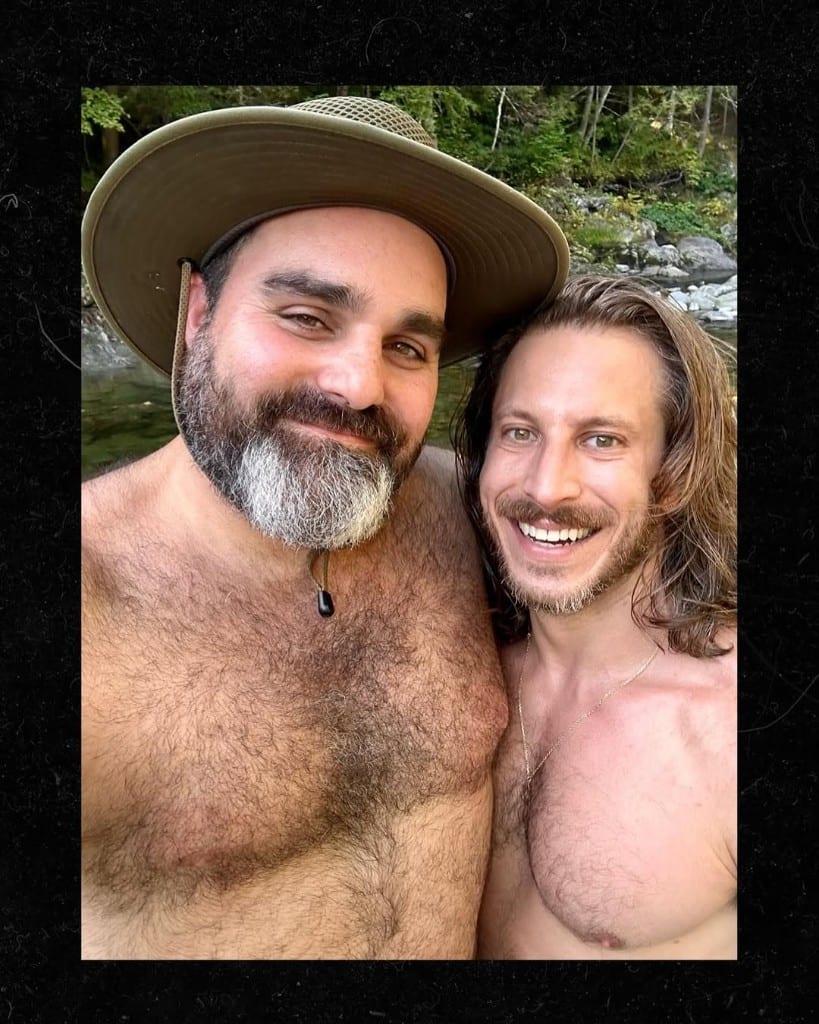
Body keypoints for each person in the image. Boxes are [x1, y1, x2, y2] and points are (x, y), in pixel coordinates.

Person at [80, 95, 570, 959]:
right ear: (197, 313)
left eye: (407, 347)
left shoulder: (475, 518)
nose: (357, 387)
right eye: (306, 317)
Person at [455, 275, 737, 960]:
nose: (545, 487)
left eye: (601, 440)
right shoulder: (452, 660)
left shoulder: (733, 726)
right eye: (519, 431)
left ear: (674, 471)